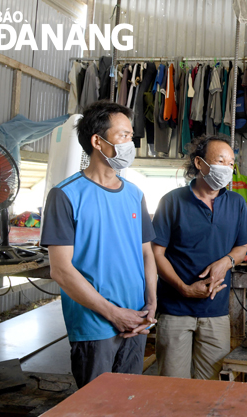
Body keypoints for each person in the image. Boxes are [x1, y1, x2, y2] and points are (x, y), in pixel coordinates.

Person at [42, 100, 157, 388]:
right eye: (124, 136)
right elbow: (61, 270)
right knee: (96, 405)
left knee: (129, 400)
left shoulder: (134, 194)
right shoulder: (65, 195)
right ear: (97, 140)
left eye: (132, 136)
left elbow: (147, 253)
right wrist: (114, 314)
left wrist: (152, 302)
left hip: (137, 318)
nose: (131, 144)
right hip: (94, 325)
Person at [151, 136, 247, 380]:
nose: (226, 168)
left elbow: (243, 246)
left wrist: (226, 262)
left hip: (216, 310)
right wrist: (184, 288)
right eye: (220, 161)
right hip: (175, 310)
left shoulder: (236, 203)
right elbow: (156, 253)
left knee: (210, 387)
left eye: (231, 163)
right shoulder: (172, 202)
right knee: (172, 385)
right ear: (199, 163)